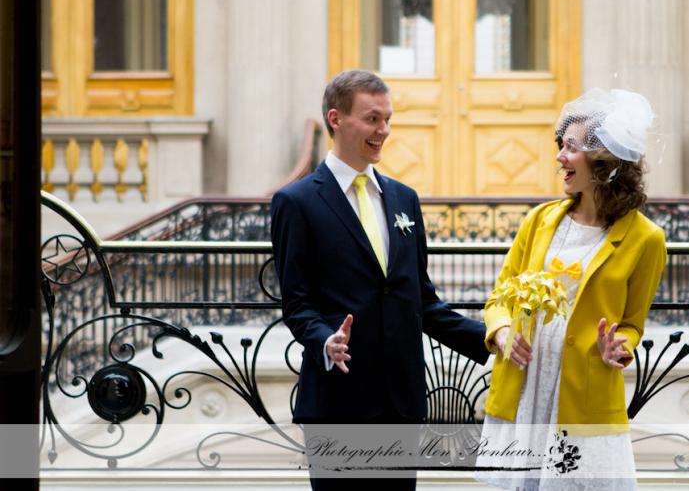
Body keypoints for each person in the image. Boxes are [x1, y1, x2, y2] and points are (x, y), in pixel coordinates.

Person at [270, 69, 490, 490]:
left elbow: (423, 302)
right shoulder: (295, 202)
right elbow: (297, 305)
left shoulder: (404, 198)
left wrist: (491, 340)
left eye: (387, 119)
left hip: (401, 403)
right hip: (339, 402)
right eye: (373, 119)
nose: (384, 130)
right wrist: (324, 341)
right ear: (336, 119)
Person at [475, 88, 667, 490]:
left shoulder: (646, 239)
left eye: (571, 147)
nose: (559, 156)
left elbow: (632, 324)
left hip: (583, 398)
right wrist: (504, 331)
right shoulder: (539, 220)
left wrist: (619, 347)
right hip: (522, 388)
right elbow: (499, 299)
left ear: (605, 161)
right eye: (561, 146)